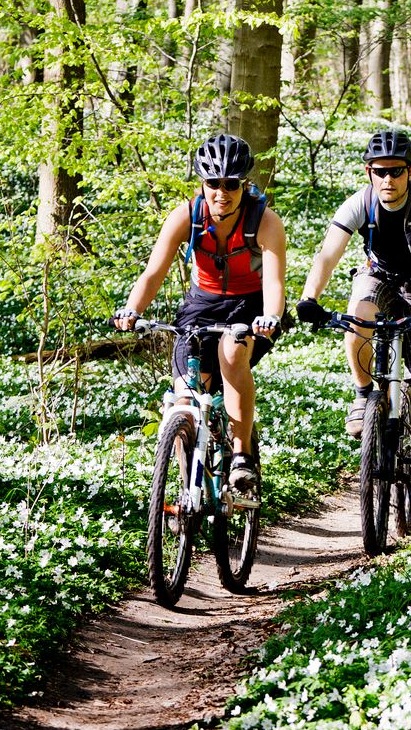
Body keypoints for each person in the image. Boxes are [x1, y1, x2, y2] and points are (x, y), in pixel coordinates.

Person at [296, 129, 411, 523]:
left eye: (395, 171)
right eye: (379, 172)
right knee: (359, 313)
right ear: (369, 172)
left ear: (410, 171)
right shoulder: (360, 203)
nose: (387, 180)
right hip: (378, 276)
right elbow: (327, 255)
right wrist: (309, 297)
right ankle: (363, 395)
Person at [111, 133, 285, 500]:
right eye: (213, 184)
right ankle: (186, 487)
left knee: (232, 353)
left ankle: (241, 457)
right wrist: (132, 310)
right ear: (202, 183)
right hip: (201, 303)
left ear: (245, 185)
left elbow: (274, 279)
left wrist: (270, 316)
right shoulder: (185, 216)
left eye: (231, 185)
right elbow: (152, 273)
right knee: (184, 399)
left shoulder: (265, 221)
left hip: (248, 304)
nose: (221, 192)